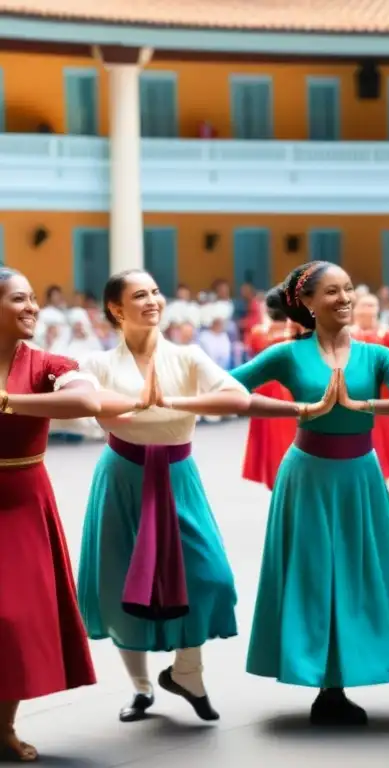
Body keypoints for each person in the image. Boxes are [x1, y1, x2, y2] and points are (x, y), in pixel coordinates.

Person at [232, 262, 389, 725]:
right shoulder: (287, 354)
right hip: (306, 476)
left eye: (348, 289)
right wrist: (296, 408)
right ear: (306, 303)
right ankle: (326, 683)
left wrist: (365, 405)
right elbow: (230, 387)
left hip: (361, 477)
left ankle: (347, 674)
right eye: (332, 291)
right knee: (314, 574)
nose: (344, 298)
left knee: (361, 572)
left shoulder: (376, 355)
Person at [76, 269, 254, 724]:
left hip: (177, 473)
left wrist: (172, 404)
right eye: (140, 295)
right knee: (120, 580)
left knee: (211, 575)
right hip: (121, 475)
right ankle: (140, 687)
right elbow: (86, 406)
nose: (153, 300)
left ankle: (186, 672)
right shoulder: (97, 364)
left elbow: (237, 396)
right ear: (117, 308)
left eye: (156, 292)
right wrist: (136, 405)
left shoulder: (188, 357)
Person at [0, 268, 151, 762]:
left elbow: (85, 399)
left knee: (15, 618)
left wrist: (7, 401)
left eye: (33, 298)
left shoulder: (47, 363)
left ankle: (3, 726)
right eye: (18, 299)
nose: (32, 307)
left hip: (23, 500)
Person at [350, 292, 389, 481]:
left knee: (380, 447)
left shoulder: (384, 335)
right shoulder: (346, 334)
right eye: (364, 305)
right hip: (349, 399)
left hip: (379, 401)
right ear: (356, 310)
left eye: (372, 305)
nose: (368, 310)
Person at [241, 302, 297, 490]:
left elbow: (251, 348)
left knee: (269, 440)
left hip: (265, 388)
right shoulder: (297, 332)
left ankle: (275, 480)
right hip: (291, 388)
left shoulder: (259, 333)